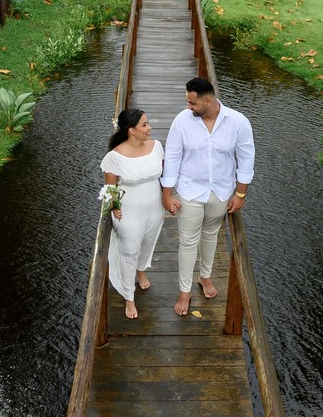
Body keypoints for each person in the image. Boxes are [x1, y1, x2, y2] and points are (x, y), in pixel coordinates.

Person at [160, 77, 255, 316]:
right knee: (188, 242)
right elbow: (171, 158)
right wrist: (167, 195)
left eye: (193, 103)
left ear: (209, 101)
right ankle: (184, 291)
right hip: (189, 191)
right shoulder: (182, 121)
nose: (188, 107)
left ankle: (205, 276)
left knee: (211, 234)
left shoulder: (238, 122)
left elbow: (246, 158)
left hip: (221, 192)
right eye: (188, 102)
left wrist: (240, 193)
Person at [100, 108, 165, 319]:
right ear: (131, 130)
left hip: (154, 207)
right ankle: (129, 297)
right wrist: (115, 206)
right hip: (128, 211)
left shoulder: (156, 147)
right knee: (129, 250)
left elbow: (164, 175)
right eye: (144, 125)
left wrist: (169, 198)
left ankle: (141, 270)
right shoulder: (114, 157)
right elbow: (110, 187)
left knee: (147, 241)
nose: (150, 128)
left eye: (148, 123)